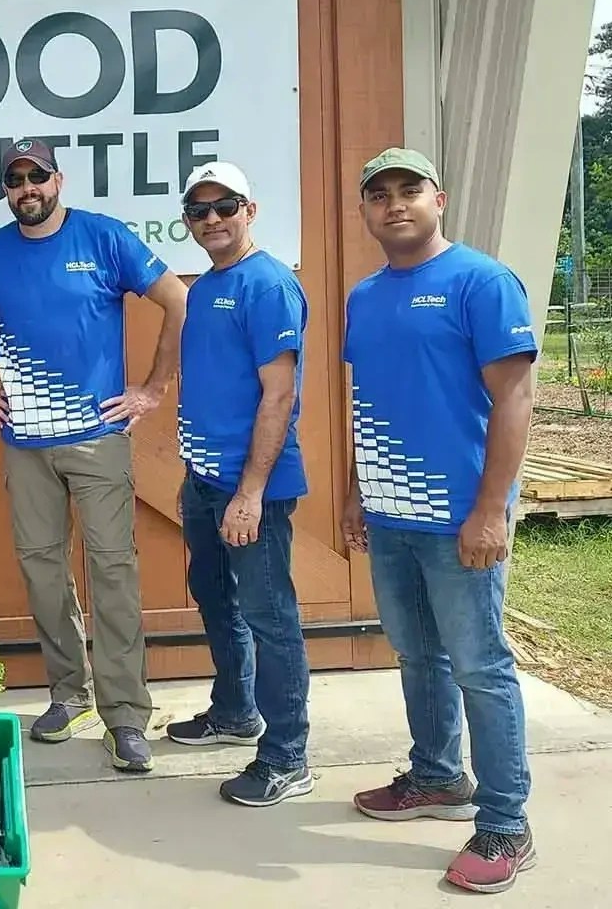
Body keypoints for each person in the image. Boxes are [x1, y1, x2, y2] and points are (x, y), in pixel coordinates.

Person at [0, 138, 189, 772]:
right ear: (5, 190)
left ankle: (125, 714)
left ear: (58, 179)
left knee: (112, 572)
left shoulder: (103, 238)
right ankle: (68, 694)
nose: (28, 188)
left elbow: (177, 299)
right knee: (43, 571)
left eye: (37, 176)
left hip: (97, 437)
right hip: (26, 446)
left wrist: (154, 388)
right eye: (15, 179)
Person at [342, 148, 538, 894]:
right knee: (417, 655)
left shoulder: (481, 282)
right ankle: (435, 777)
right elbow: (374, 399)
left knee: (480, 667)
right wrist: (361, 491)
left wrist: (492, 509)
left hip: (461, 518)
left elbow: (515, 399)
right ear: (365, 211)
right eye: (379, 195)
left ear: (440, 199)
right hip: (393, 516)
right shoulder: (365, 295)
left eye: (409, 190)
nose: (395, 205)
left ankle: (506, 823)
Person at [165, 161, 314, 807]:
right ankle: (235, 710)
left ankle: (287, 755)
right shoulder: (204, 287)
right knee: (214, 595)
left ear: (249, 211)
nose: (213, 220)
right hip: (204, 481)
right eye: (199, 211)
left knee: (269, 615)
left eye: (225, 207)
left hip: (249, 488)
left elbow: (279, 396)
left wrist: (250, 492)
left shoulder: (268, 285)